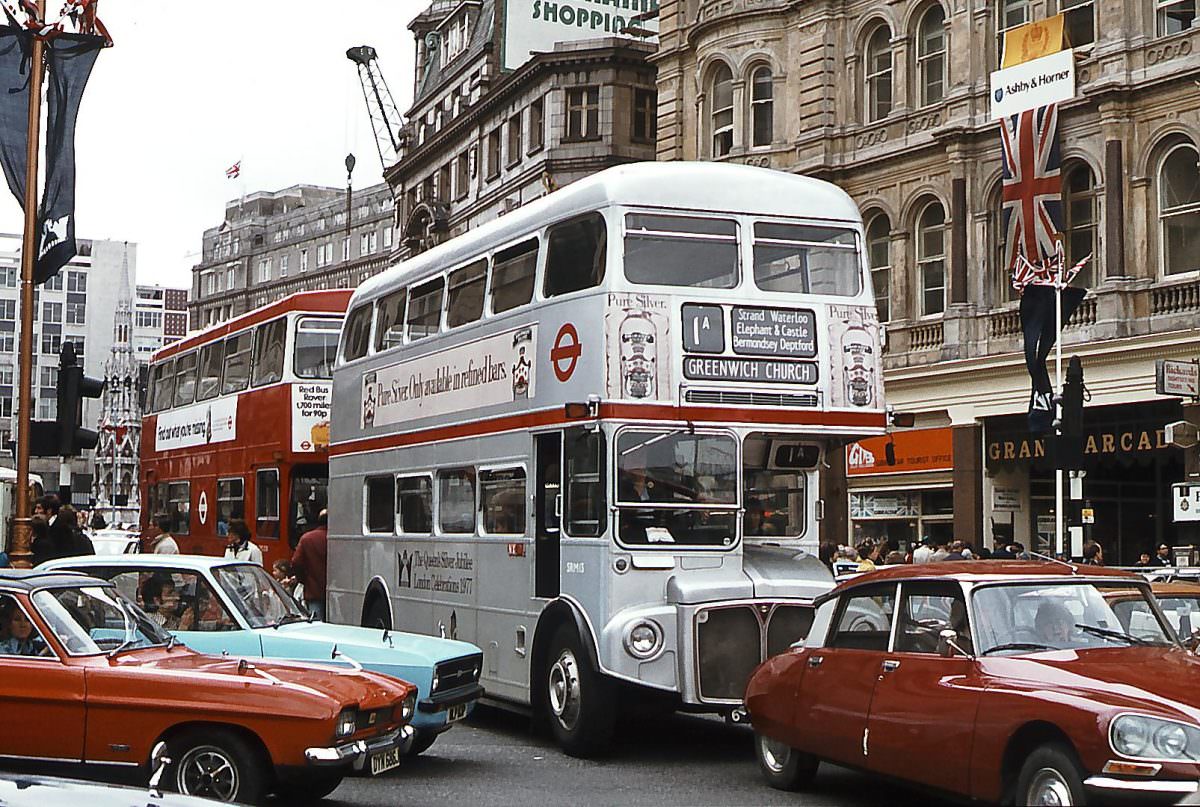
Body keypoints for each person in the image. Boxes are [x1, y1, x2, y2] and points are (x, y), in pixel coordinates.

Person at [291, 509, 328, 620]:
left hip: (314, 591)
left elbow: (296, 563)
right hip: (340, 594)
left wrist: (304, 580)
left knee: (316, 625)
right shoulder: (340, 539)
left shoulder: (307, 538)